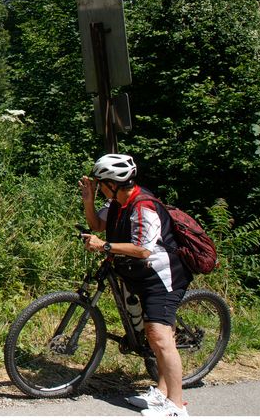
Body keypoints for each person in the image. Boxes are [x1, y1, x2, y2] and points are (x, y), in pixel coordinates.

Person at [79, 154, 193, 417]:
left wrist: (104, 245)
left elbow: (142, 249)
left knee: (160, 337)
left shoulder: (143, 207)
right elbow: (97, 224)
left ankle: (176, 406)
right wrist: (89, 200)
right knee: (157, 337)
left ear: (112, 183)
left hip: (163, 276)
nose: (98, 186)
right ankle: (161, 393)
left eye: (100, 183)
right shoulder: (119, 202)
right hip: (142, 275)